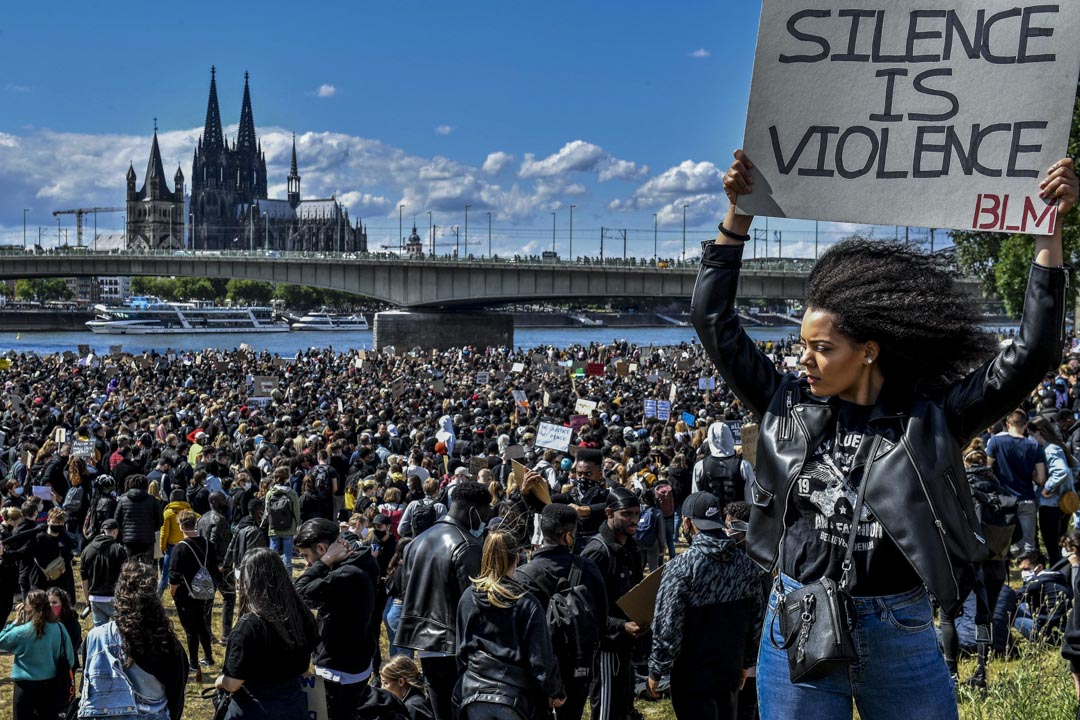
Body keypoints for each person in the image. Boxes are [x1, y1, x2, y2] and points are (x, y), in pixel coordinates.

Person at [694, 150, 1076, 719]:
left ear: (868, 351)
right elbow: (714, 323)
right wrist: (737, 215)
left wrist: (1050, 231)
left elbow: (1031, 354)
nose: (804, 360)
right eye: (803, 346)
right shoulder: (784, 405)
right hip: (797, 618)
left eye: (822, 348)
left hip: (900, 630)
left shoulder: (932, 419)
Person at [646, 492, 764, 720]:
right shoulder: (746, 563)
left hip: (692, 676)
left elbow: (667, 623)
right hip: (731, 669)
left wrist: (656, 669)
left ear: (688, 522)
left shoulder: (682, 567)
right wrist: (747, 663)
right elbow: (757, 618)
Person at [395, 481, 491, 720]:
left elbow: (407, 591)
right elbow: (473, 603)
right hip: (455, 645)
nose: (485, 519)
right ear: (472, 511)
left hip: (426, 645)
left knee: (440, 711)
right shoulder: (467, 546)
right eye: (484, 513)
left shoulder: (416, 542)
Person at [455, 530, 565, 719]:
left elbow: (461, 651)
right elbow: (540, 659)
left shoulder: (467, 597)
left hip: (473, 693)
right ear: (517, 558)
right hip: (515, 697)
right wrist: (556, 690)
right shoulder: (526, 602)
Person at [514, 502, 607, 720]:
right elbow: (600, 621)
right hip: (577, 666)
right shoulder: (588, 569)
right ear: (568, 537)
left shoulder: (522, 576)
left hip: (534, 670)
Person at [215, 547, 318, 720]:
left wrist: (220, 682)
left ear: (249, 582)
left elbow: (232, 684)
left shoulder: (248, 627)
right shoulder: (301, 615)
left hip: (254, 710)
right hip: (293, 705)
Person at [79, 558, 189, 720]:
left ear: (118, 595)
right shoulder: (166, 643)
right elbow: (176, 698)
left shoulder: (94, 637)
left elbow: (86, 688)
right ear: (153, 599)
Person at [294, 518, 377, 720]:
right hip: (355, 659)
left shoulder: (345, 574)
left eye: (306, 556)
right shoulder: (360, 559)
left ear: (322, 548)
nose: (306, 563)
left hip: (339, 668)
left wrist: (323, 562)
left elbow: (298, 593)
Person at [581, 487, 644, 720]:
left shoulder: (631, 546)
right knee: (606, 711)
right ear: (609, 513)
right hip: (606, 647)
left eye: (637, 513)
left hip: (627, 644)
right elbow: (587, 608)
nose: (634, 520)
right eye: (627, 514)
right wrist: (619, 626)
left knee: (624, 708)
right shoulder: (597, 552)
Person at [0, 589, 74, 720]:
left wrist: (15, 623)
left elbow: (1, 641)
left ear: (29, 607)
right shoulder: (59, 629)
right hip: (50, 686)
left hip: (25, 687)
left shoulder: (23, 631)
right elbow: (70, 659)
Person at [987, 410, 1047, 554]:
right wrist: (1030, 473)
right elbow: (1041, 479)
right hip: (1027, 498)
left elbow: (987, 469)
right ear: (1025, 426)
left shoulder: (995, 442)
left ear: (1007, 424)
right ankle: (1030, 571)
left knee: (1006, 542)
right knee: (1028, 543)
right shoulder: (1034, 447)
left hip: (1004, 500)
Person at [168, 509, 218, 682]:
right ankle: (209, 657)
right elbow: (214, 568)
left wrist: (172, 592)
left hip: (185, 593)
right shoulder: (207, 544)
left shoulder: (179, 548)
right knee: (202, 625)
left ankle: (194, 663)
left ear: (181, 525)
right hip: (205, 592)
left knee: (190, 629)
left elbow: (174, 575)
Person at [1028, 415, 1075, 564]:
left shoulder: (1050, 449)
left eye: (1030, 434)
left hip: (1051, 505)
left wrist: (1047, 488)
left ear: (1038, 432)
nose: (1030, 438)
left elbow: (1062, 471)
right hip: (1061, 504)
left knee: (1053, 547)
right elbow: (1074, 467)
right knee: (1060, 545)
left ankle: (1057, 578)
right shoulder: (1057, 447)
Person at [221, 498, 268, 643]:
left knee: (243, 601)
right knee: (250, 602)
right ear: (258, 512)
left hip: (239, 569)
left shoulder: (241, 527)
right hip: (250, 571)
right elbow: (254, 555)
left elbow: (231, 547)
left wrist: (226, 564)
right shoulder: (254, 531)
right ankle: (246, 631)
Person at [1013, 549, 1071, 642]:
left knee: (1011, 610)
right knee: (1022, 605)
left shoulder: (1038, 582)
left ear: (1039, 567)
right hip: (1063, 628)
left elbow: (1013, 597)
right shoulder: (1056, 577)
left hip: (1047, 633)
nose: (1023, 573)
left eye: (1026, 569)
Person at [691, 422, 755, 505]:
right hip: (738, 516)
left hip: (710, 516)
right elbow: (751, 499)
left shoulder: (700, 466)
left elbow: (696, 499)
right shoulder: (743, 465)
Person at [80, 518, 128, 627]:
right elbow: (125, 575)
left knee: (99, 631)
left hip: (95, 597)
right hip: (114, 597)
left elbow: (84, 577)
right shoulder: (118, 550)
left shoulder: (87, 550)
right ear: (115, 532)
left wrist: (87, 599)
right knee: (120, 630)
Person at [115, 474, 165, 560]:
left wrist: (124, 531)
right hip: (148, 538)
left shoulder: (123, 500)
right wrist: (152, 528)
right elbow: (160, 520)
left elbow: (117, 520)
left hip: (129, 539)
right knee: (148, 566)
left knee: (130, 566)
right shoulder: (153, 500)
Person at [158, 489, 193, 596]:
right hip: (187, 545)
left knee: (166, 572)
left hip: (171, 547)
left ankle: (159, 594)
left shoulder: (168, 513)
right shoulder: (190, 512)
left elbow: (164, 533)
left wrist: (162, 546)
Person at [264, 473, 301, 568]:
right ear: (286, 479)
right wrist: (296, 525)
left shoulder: (270, 493)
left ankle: (271, 577)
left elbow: (266, 511)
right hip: (289, 527)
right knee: (287, 557)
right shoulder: (292, 493)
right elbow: (296, 511)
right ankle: (287, 578)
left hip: (273, 528)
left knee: (272, 556)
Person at [380, 656, 434, 720]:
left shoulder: (412, 707)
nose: (382, 688)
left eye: (385, 683)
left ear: (401, 682)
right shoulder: (419, 694)